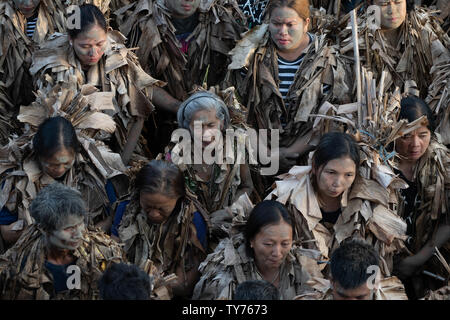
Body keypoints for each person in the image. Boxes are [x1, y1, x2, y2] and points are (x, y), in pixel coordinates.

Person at [30, 4, 180, 165]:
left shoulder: (118, 59)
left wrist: (121, 164)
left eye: (99, 44)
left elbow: (140, 104)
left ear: (107, 34)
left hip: (115, 151)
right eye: (85, 46)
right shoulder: (52, 64)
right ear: (70, 40)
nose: (93, 53)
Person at [228, 0, 354, 178]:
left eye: (290, 24)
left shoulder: (327, 61)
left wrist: (290, 152)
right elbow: (236, 110)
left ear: (306, 24)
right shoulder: (249, 57)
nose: (282, 32)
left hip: (309, 161)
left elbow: (332, 118)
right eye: (276, 24)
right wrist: (266, 152)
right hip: (256, 156)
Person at [113, 0, 247, 154]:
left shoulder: (219, 20)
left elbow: (232, 71)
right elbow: (138, 79)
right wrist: (180, 107)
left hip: (210, 118)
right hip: (157, 122)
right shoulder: (143, 22)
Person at [266, 132, 408, 276]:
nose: (337, 183)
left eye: (348, 175)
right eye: (331, 172)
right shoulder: (291, 199)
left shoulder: (367, 205)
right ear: (315, 167)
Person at [0, 116, 127, 253]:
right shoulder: (16, 181)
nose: (60, 169)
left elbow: (111, 219)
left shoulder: (95, 175)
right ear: (38, 156)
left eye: (66, 163)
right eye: (52, 165)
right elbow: (7, 234)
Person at [0, 183, 125, 300]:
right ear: (44, 229)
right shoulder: (22, 264)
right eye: (69, 228)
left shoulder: (103, 256)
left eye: (80, 223)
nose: (79, 233)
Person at [118, 160, 210, 299]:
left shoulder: (192, 222)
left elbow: (186, 282)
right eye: (148, 206)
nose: (154, 214)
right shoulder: (127, 209)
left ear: (179, 198)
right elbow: (114, 250)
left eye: (162, 209)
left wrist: (152, 286)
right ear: (139, 193)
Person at [192, 200, 313, 300]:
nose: (277, 252)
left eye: (285, 243)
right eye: (268, 244)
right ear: (251, 240)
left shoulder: (300, 268)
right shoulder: (225, 275)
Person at [392, 96, 450, 299]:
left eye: (423, 135)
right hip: (387, 265)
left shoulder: (441, 165)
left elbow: (447, 221)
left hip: (431, 265)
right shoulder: (378, 166)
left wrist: (416, 260)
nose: (415, 144)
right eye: (406, 136)